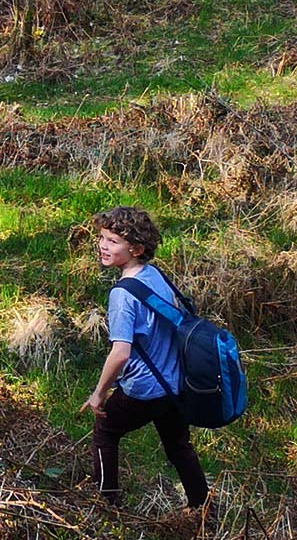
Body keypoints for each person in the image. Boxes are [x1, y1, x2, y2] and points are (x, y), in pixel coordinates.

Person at [84, 205, 210, 521]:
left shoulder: (122, 295)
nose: (103, 245)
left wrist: (99, 393)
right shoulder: (154, 275)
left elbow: (121, 353)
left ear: (136, 249)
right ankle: (203, 508)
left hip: (145, 389)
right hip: (175, 384)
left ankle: (106, 506)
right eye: (102, 238)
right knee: (179, 447)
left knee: (105, 430)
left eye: (113, 241)